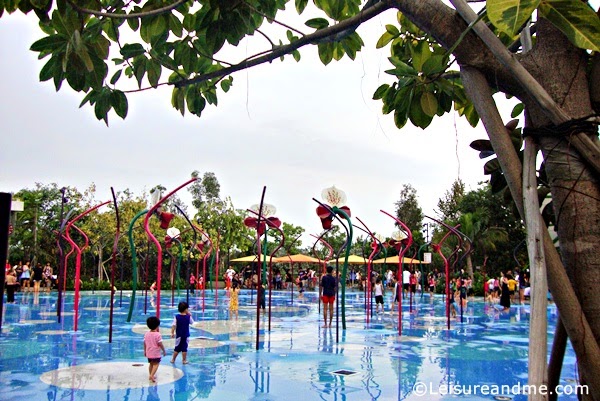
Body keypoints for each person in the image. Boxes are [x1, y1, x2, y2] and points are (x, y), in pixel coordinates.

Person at [144, 316, 167, 382]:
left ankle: (150, 375)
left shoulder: (146, 334)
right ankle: (152, 375)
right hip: (155, 353)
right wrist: (163, 350)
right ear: (157, 326)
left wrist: (145, 351)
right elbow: (160, 344)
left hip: (149, 352)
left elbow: (144, 343)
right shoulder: (158, 335)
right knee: (156, 364)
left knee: (151, 364)